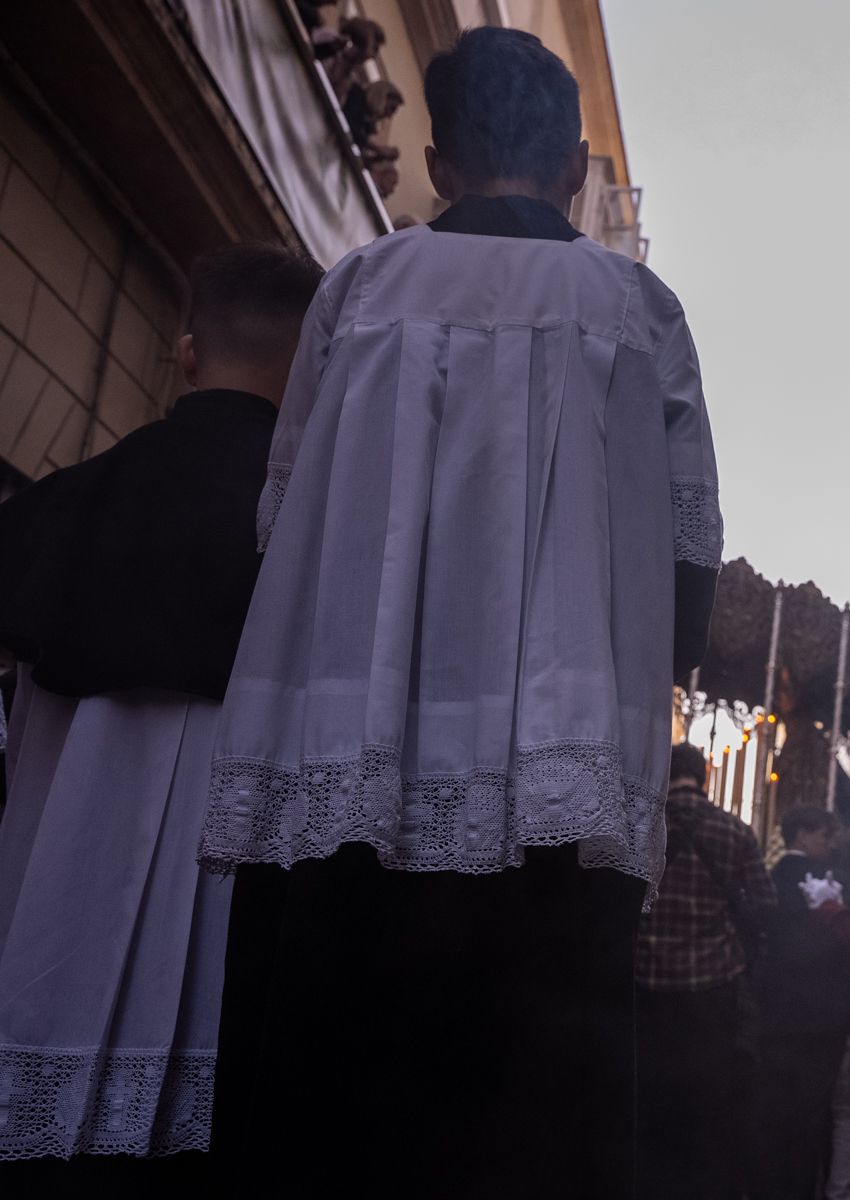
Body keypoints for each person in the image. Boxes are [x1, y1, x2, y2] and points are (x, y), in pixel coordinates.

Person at [203, 28, 722, 1194]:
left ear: (438, 166)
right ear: (579, 169)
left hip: (356, 755)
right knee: (534, 1118)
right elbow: (692, 548)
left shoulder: (363, 289)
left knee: (338, 1103)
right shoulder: (638, 309)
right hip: (560, 778)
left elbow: (283, 522)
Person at [0, 244, 321, 1176]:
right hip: (235, 917)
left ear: (185, 354)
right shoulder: (323, 532)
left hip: (49, 897)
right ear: (315, 371)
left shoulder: (66, 502)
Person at [636, 742, 776, 1200]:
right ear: (704, 775)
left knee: (651, 1108)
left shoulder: (641, 824)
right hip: (712, 990)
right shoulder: (733, 830)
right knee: (709, 1109)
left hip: (646, 988)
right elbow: (764, 907)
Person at [755, 804, 850, 1200]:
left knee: (776, 1109)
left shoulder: (773, 877)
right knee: (811, 1116)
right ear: (801, 835)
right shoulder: (825, 881)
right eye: (822, 835)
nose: (828, 844)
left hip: (779, 1014)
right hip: (822, 1017)